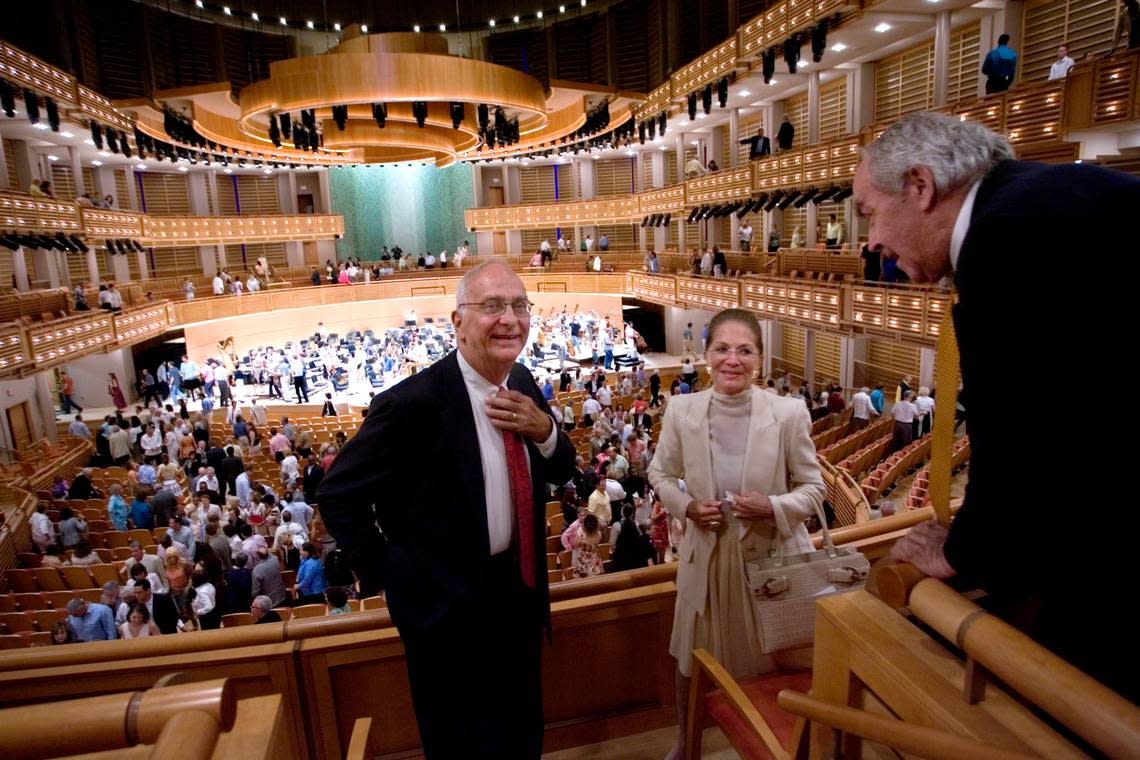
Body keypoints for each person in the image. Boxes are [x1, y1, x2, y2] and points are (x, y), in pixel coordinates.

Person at [855, 111, 1138, 701]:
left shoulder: (1011, 235)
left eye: (868, 211)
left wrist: (965, 550)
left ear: (920, 187)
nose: (870, 241)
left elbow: (1035, 427)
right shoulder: (1040, 200)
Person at [318, 260, 575, 758]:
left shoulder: (520, 378)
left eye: (520, 305)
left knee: (523, 736)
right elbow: (337, 494)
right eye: (492, 306)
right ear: (457, 322)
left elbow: (562, 468)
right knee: (460, 746)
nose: (510, 319)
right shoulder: (411, 405)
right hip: (445, 614)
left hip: (517, 596)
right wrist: (395, 574)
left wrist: (544, 431)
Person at [648, 307, 825, 757]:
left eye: (744, 350)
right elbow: (660, 475)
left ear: (759, 359)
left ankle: (769, 742)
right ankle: (687, 744)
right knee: (690, 659)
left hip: (770, 560)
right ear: (705, 355)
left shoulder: (788, 413)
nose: (733, 359)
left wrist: (773, 506)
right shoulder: (682, 410)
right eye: (722, 349)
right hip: (705, 558)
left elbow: (814, 490)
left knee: (772, 659)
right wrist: (687, 507)